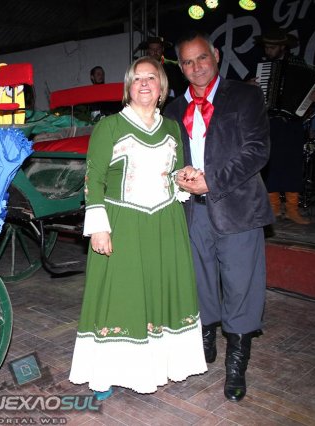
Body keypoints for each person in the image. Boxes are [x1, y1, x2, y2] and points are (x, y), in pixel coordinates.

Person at [69, 56, 207, 399]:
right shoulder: (109, 127)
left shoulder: (172, 127)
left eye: (151, 78)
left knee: (161, 290)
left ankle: (161, 365)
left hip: (165, 223)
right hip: (123, 223)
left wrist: (185, 176)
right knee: (120, 296)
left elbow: (173, 172)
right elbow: (94, 179)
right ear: (128, 87)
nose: (144, 83)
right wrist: (98, 228)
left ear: (161, 88)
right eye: (137, 78)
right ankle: (106, 372)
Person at [164, 31, 274, 402]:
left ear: (215, 55)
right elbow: (169, 158)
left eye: (202, 58)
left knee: (242, 286)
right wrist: (179, 175)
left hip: (237, 206)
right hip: (191, 210)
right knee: (199, 281)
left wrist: (212, 181)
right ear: (181, 67)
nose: (196, 67)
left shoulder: (245, 96)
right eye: (188, 62)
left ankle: (236, 363)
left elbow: (257, 151)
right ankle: (205, 338)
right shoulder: (173, 110)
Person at [252, 28, 315, 224]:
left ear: (282, 47)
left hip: (293, 121)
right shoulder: (262, 67)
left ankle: (292, 209)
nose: (268, 50)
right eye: (266, 47)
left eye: (272, 47)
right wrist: (251, 85)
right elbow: (247, 88)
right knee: (271, 163)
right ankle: (274, 207)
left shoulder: (299, 64)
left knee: (293, 164)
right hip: (270, 121)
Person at [136, 36, 187, 106]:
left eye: (158, 48)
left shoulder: (172, 69)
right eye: (152, 49)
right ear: (147, 51)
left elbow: (180, 90)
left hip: (169, 106)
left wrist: (169, 92)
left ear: (162, 49)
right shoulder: (140, 69)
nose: (155, 51)